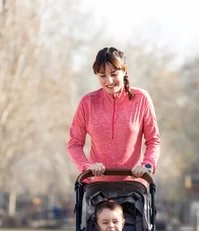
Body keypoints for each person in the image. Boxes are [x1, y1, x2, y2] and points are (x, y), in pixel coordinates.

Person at [67, 47, 161, 181]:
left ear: (124, 70)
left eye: (114, 74)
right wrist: (87, 167)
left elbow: (153, 140)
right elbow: (74, 144)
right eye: (102, 76)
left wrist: (146, 165)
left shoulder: (141, 99)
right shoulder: (87, 102)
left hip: (133, 186)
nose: (109, 81)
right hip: (96, 187)